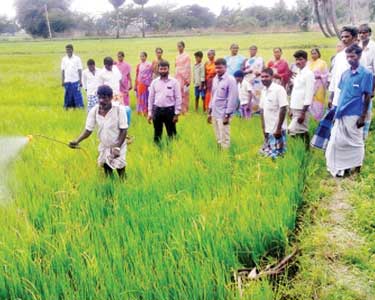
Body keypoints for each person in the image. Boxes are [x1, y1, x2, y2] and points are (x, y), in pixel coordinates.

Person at [325, 44, 373, 177]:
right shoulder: (345, 74)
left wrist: (363, 116)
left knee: (356, 142)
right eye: (348, 56)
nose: (350, 59)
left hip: (355, 113)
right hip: (341, 112)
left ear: (359, 56)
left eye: (352, 56)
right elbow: (341, 93)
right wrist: (336, 110)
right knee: (336, 142)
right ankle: (342, 168)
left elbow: (367, 96)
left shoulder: (366, 74)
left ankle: (357, 169)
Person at [311, 26, 358, 150]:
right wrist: (331, 96)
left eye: (347, 36)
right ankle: (333, 155)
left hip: (351, 99)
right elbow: (334, 78)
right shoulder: (339, 56)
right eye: (342, 37)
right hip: (337, 97)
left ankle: (349, 160)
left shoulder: (359, 55)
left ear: (354, 38)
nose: (344, 39)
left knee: (348, 130)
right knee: (333, 128)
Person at [69, 85, 128, 179]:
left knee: (120, 169)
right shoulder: (95, 111)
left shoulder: (119, 110)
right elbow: (88, 130)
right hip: (104, 145)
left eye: (104, 98)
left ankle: (124, 187)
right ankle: (110, 189)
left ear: (111, 98)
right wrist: (77, 141)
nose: (101, 100)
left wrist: (117, 147)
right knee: (107, 170)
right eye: (99, 97)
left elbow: (124, 130)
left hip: (118, 144)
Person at [148, 60, 182, 144]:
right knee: (157, 133)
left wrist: (177, 113)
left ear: (168, 69)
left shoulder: (174, 82)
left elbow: (178, 98)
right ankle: (157, 149)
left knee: (172, 133)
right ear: (158, 70)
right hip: (157, 110)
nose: (163, 71)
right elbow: (151, 98)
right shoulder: (154, 82)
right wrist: (150, 112)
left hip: (169, 110)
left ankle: (173, 150)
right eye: (161, 69)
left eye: (165, 69)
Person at [207, 58, 238, 149]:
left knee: (224, 137)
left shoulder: (230, 80)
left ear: (226, 67)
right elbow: (213, 96)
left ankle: (225, 157)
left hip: (223, 113)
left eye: (220, 68)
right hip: (214, 112)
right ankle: (219, 153)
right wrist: (210, 112)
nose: (217, 70)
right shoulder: (215, 79)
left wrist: (227, 115)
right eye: (216, 68)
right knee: (218, 137)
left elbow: (232, 98)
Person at [259, 68, 288, 159]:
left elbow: (283, 108)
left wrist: (278, 129)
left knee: (278, 156)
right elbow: (262, 110)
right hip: (268, 129)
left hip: (277, 130)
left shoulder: (279, 89)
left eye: (266, 76)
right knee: (266, 154)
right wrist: (264, 128)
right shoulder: (263, 90)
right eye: (262, 77)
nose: (264, 79)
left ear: (272, 77)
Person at [288, 50, 315, 148]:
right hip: (295, 107)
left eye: (300, 59)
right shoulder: (298, 73)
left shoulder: (309, 74)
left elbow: (309, 94)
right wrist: (290, 109)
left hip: (302, 108)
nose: (298, 62)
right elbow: (294, 92)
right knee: (301, 131)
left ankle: (307, 148)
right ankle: (305, 150)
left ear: (306, 60)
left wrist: (303, 112)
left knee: (291, 129)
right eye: (296, 60)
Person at [358, 23, 375, 139]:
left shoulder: (373, 47)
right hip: (357, 81)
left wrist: (373, 89)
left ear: (369, 33)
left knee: (366, 108)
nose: (362, 35)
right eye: (360, 33)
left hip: (369, 81)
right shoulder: (357, 46)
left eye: (365, 32)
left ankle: (363, 137)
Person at [241, 45, 264, 114]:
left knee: (257, 95)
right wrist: (246, 72)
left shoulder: (259, 59)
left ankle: (258, 110)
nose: (252, 51)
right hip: (248, 80)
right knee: (249, 95)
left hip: (257, 80)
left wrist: (256, 73)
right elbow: (243, 70)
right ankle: (250, 110)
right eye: (251, 49)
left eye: (254, 49)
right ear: (249, 51)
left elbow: (261, 69)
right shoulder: (246, 60)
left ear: (256, 51)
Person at [308, 48, 328, 121]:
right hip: (310, 85)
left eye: (315, 53)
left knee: (318, 100)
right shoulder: (309, 63)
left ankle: (318, 118)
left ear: (318, 54)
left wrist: (319, 76)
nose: (313, 55)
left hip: (319, 85)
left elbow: (326, 74)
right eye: (312, 53)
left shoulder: (322, 63)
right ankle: (311, 118)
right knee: (310, 100)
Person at [61, 44, 84, 109]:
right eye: (67, 50)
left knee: (77, 95)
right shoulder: (64, 59)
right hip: (67, 81)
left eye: (69, 49)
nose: (68, 51)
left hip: (75, 80)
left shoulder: (77, 59)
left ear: (72, 50)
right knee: (68, 95)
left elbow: (80, 70)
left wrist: (80, 80)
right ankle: (68, 108)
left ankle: (79, 107)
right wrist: (62, 81)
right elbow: (63, 70)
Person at [135, 52, 153, 116]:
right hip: (140, 83)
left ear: (146, 57)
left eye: (143, 56)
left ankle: (146, 111)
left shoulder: (149, 64)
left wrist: (149, 82)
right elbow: (138, 75)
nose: (142, 58)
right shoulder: (139, 65)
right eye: (141, 56)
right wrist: (136, 84)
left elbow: (151, 74)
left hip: (147, 84)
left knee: (146, 97)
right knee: (140, 97)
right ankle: (141, 110)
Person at [175, 41, 191, 114]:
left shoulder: (187, 56)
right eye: (178, 46)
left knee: (184, 93)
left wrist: (187, 79)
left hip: (184, 77)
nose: (179, 48)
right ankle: (179, 109)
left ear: (183, 47)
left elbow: (187, 68)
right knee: (178, 93)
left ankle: (185, 110)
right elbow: (176, 66)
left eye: (180, 46)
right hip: (178, 76)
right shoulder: (177, 56)